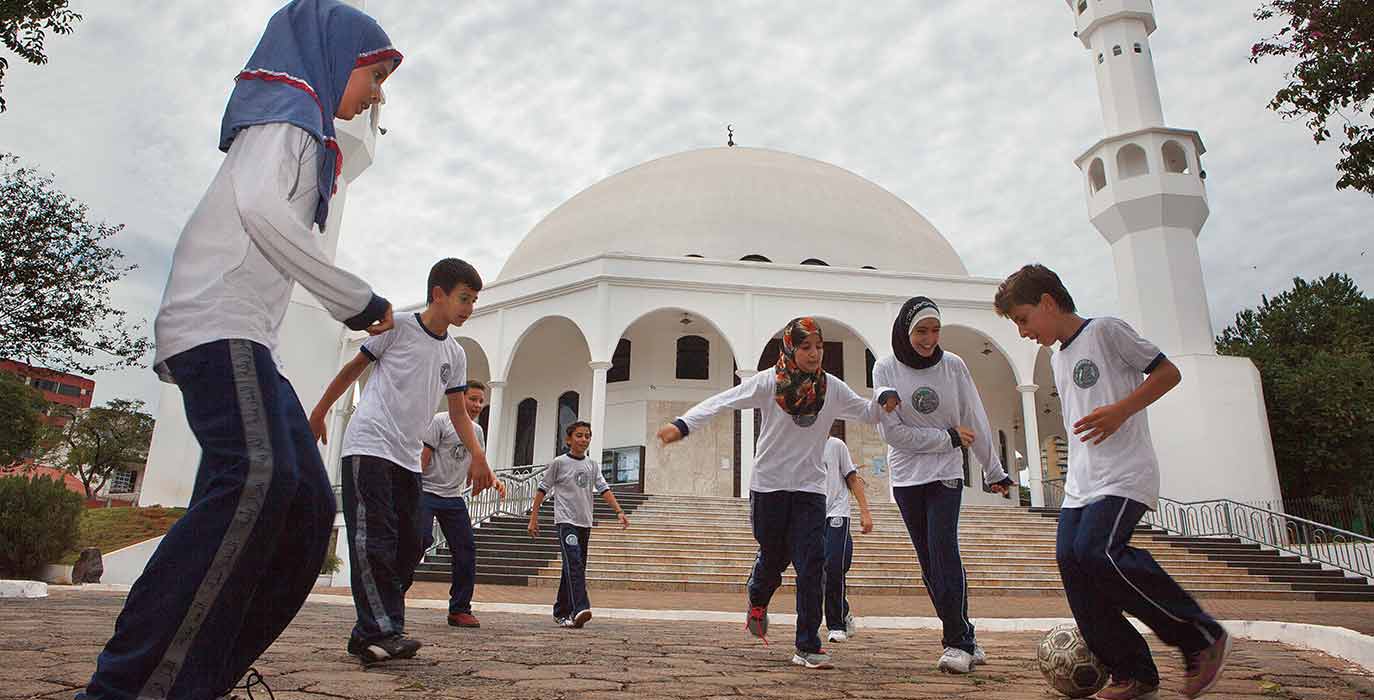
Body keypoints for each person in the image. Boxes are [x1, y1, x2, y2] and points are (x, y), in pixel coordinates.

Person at [77, 2, 400, 697]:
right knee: (258, 477)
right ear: (332, 57)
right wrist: (357, 300)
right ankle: (131, 680)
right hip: (216, 326)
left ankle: (202, 672)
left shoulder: (307, 139)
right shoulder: (286, 117)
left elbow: (276, 226)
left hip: (250, 340)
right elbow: (259, 209)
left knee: (307, 510)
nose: (378, 95)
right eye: (373, 75)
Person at [995, 264, 1230, 699]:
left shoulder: (1106, 332)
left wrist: (1121, 409)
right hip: (1082, 483)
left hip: (1124, 473)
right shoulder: (1057, 355)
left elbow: (1167, 373)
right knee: (1073, 562)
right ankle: (1133, 672)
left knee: (1098, 551)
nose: (1023, 332)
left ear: (1048, 302)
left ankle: (1200, 635)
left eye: (1023, 319)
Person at [656, 317, 924, 670]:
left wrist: (885, 397)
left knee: (813, 564)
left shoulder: (833, 388)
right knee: (773, 557)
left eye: (819, 346)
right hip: (769, 486)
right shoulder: (769, 383)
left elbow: (868, 412)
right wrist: (683, 424)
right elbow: (725, 400)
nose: (814, 354)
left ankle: (807, 645)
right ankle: (757, 595)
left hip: (811, 490)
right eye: (805, 347)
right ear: (790, 347)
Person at [310, 258, 501, 665]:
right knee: (375, 538)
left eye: (473, 301)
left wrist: (479, 456)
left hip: (407, 458)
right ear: (439, 294)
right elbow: (353, 369)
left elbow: (457, 414)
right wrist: (319, 412)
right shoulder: (397, 327)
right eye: (464, 298)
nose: (469, 308)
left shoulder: (455, 354)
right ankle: (383, 632)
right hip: (369, 446)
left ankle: (369, 631)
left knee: (414, 540)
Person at [871, 296, 1014, 674]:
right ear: (905, 330)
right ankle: (963, 631)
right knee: (928, 562)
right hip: (906, 477)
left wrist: (993, 470)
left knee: (944, 551)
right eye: (921, 331)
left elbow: (975, 419)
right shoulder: (885, 368)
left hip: (946, 475)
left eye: (935, 330)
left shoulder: (953, 366)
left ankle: (957, 643)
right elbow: (895, 435)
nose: (929, 338)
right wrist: (947, 437)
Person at [527, 421, 630, 628]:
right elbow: (542, 489)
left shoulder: (592, 465)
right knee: (574, 563)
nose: (584, 440)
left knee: (572, 566)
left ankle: (560, 611)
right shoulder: (559, 463)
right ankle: (580, 608)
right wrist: (533, 517)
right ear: (568, 439)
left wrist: (619, 511)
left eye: (587, 436)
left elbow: (603, 488)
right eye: (579, 435)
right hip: (566, 522)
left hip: (585, 522)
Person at [418, 380, 488, 628]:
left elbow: (474, 465)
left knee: (466, 549)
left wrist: (488, 481)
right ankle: (393, 597)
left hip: (454, 498)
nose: (477, 405)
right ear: (461, 398)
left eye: (481, 401)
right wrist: (413, 490)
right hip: (426, 492)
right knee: (420, 540)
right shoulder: (440, 421)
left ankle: (459, 609)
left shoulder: (477, 432)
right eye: (473, 399)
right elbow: (423, 458)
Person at [820, 432, 873, 643]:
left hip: (837, 511)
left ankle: (836, 624)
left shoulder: (836, 445)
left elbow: (852, 477)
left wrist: (865, 511)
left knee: (834, 566)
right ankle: (844, 610)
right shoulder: (799, 444)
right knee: (818, 570)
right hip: (811, 514)